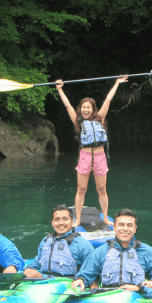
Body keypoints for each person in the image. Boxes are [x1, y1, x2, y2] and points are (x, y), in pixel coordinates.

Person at [56, 74, 128, 229]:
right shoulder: (77, 120)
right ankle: (77, 219)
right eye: (83, 107)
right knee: (81, 189)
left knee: (102, 189)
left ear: (93, 109)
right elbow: (68, 106)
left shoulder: (100, 118)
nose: (86, 109)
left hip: (100, 157)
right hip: (85, 157)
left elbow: (108, 100)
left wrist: (117, 83)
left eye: (88, 107)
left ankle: (106, 218)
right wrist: (60, 89)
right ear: (80, 109)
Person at [70, 209, 152, 292]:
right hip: (108, 297)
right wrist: (80, 280)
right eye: (121, 225)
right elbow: (85, 275)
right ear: (114, 227)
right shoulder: (101, 251)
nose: (125, 229)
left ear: (135, 229)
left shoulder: (146, 251)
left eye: (129, 225)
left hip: (135, 296)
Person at [23, 205, 95, 279]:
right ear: (52, 223)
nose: (61, 223)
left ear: (72, 222)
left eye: (65, 219)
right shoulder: (45, 241)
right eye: (57, 219)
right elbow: (37, 262)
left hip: (68, 283)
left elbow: (94, 268)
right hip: (44, 280)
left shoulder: (82, 245)